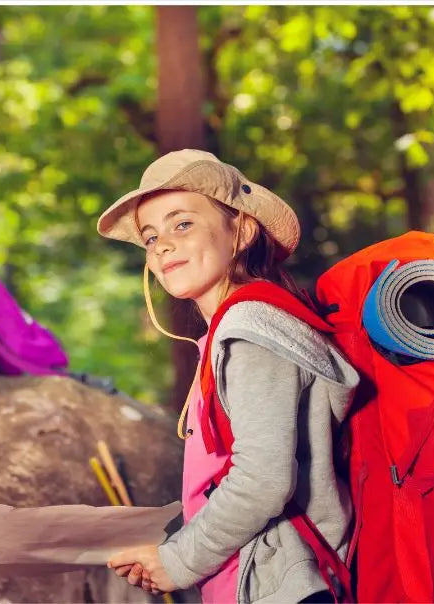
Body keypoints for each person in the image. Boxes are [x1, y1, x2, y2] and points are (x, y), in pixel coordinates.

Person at [97, 150, 360, 603]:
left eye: (182, 224)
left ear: (240, 230)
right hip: (261, 580)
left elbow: (264, 479)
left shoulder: (252, 330)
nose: (161, 245)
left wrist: (179, 560)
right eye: (150, 236)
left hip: (288, 586)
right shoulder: (239, 328)